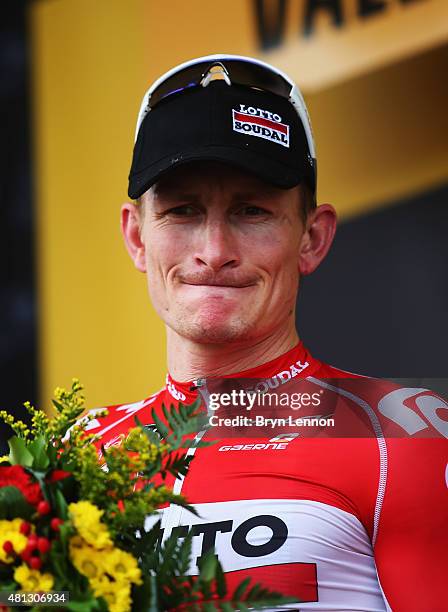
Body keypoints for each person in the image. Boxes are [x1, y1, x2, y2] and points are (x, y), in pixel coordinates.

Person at [87, 55, 447, 610]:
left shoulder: (404, 433)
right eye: (182, 211)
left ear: (312, 238)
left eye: (251, 212)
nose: (213, 252)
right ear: (137, 238)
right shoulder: (73, 453)